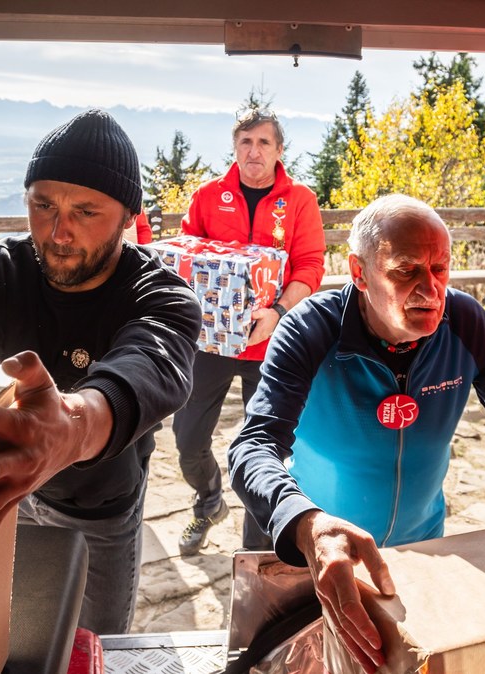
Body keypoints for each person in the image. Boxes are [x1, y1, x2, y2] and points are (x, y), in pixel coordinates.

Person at [228, 194, 485, 672]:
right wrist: (307, 524)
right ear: (359, 272)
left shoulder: (466, 324)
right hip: (317, 556)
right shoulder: (311, 329)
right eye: (405, 270)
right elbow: (254, 445)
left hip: (417, 559)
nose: (430, 289)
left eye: (440, 268)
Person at [0, 109, 201, 635]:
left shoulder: (162, 297)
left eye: (86, 211)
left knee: (96, 643)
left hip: (100, 507)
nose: (59, 231)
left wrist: (70, 428)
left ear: (128, 217)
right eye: (43, 205)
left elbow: (150, 365)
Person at [172, 107, 326, 555]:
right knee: (187, 439)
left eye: (263, 142)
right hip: (212, 343)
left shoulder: (299, 200)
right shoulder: (207, 196)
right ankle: (208, 501)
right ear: (234, 146)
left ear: (279, 150)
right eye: (245, 141)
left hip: (276, 344)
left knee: (266, 448)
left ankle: (257, 547)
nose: (253, 150)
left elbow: (311, 267)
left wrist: (276, 313)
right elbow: (189, 259)